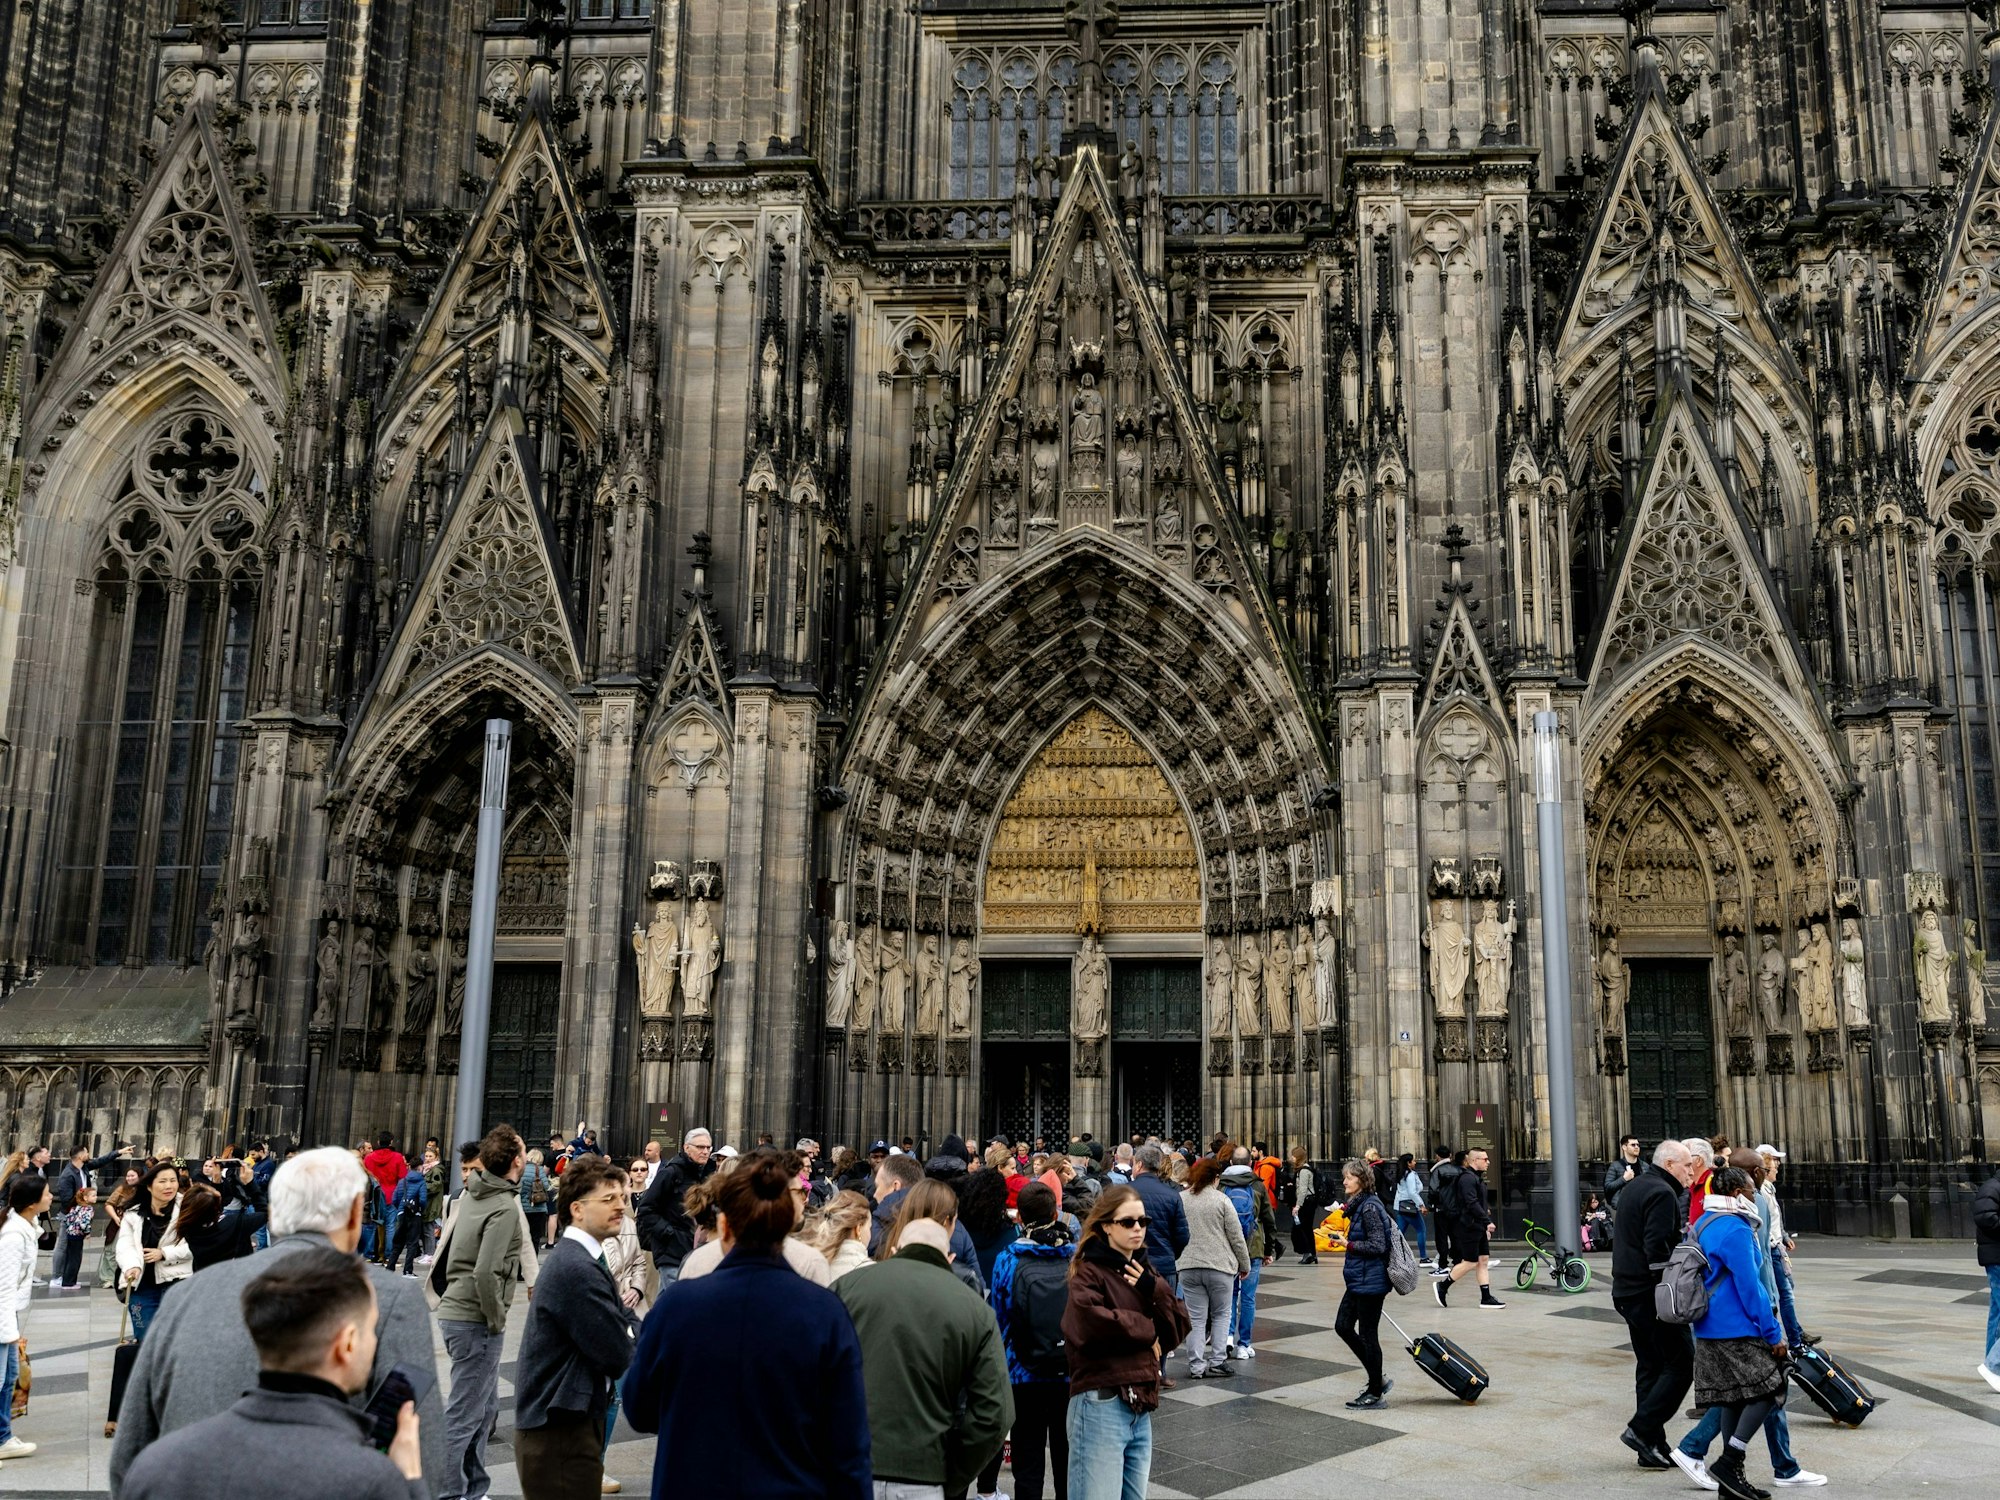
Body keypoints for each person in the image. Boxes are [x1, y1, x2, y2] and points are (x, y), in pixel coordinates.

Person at [109, 1146, 445, 1496]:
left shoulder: (186, 1295)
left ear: (278, 1211)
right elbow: (423, 1453)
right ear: (355, 1211)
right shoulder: (385, 1295)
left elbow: (129, 1458)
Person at [627, 1148, 870, 1497]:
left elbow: (640, 1409)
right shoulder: (824, 1313)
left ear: (724, 1226)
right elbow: (849, 1442)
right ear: (789, 1223)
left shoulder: (676, 1307)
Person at [117, 1246, 426, 1500]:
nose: (374, 1342)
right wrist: (410, 1479)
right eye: (370, 1329)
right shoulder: (369, 1480)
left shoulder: (158, 1465)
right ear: (346, 1344)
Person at [1673, 1150, 1825, 1491]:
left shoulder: (1705, 1222)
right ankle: (1731, 1460)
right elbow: (1749, 1285)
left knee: (1731, 1397)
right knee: (1773, 1386)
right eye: (1752, 1192)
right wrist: (1773, 1334)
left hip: (1709, 1325)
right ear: (1739, 1192)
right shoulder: (1736, 1229)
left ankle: (1732, 1479)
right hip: (1736, 1326)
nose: (1755, 1197)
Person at [838, 1200, 1012, 1498]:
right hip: (925, 1473)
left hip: (850, 1466)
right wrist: (953, 1474)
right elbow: (996, 1413)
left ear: (894, 1250)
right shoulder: (973, 1308)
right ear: (950, 1257)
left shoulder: (847, 1288)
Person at [513, 1156, 640, 1500]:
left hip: (564, 1426)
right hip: (559, 1433)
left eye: (622, 1197)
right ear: (578, 1209)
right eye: (608, 1199)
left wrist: (629, 1329)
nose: (620, 1206)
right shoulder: (576, 1268)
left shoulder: (582, 1259)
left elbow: (623, 1319)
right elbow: (615, 1351)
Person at [1063, 1184, 1191, 1500]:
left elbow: (1178, 1327)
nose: (1138, 1229)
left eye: (1142, 1221)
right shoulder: (1089, 1272)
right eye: (1128, 1222)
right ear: (1106, 1225)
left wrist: (1155, 1290)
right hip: (1101, 1401)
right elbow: (1092, 1327)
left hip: (1140, 1400)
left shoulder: (1142, 1269)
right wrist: (1149, 1332)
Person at [435, 1125, 526, 1500]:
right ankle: (447, 1491)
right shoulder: (503, 1205)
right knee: (465, 1413)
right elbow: (487, 1270)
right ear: (517, 1160)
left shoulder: (476, 1193)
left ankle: (474, 1488)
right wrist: (496, 1317)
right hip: (475, 1318)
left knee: (483, 1410)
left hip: (457, 1311)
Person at [980, 1182, 1074, 1500]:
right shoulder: (1076, 1256)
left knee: (1028, 1458)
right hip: (1067, 1370)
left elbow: (999, 1316)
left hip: (1023, 1371)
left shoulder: (1008, 1259)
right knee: (1066, 1454)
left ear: (1019, 1216)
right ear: (1055, 1213)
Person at [1611, 1138, 1697, 1469]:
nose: (1691, 1171)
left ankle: (1651, 1445)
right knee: (1682, 1362)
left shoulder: (1639, 1186)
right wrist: (1672, 1296)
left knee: (1650, 1365)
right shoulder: (1662, 1193)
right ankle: (1641, 1429)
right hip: (1650, 1294)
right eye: (1687, 1165)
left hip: (1627, 1291)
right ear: (1670, 1164)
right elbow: (1658, 1252)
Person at [1176, 1149, 1249, 1379]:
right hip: (1219, 1266)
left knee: (1196, 1318)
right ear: (1215, 1178)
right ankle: (1217, 1361)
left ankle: (1196, 1366)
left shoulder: (1182, 1198)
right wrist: (1244, 1264)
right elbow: (1236, 1236)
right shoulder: (1222, 1200)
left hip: (1188, 1265)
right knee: (1221, 1314)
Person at [1332, 1158, 1397, 1409]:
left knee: (1369, 1335)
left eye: (1349, 1177)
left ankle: (1374, 1391)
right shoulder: (1359, 1206)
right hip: (1359, 1279)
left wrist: (1346, 1244)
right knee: (1343, 1326)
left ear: (1361, 1180)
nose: (1344, 1181)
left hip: (1371, 1281)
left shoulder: (1369, 1207)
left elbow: (1378, 1245)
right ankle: (1377, 1378)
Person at [0, 1173, 48, 1465]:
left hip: (7, 1314)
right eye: (47, 1193)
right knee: (3, 1378)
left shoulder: (25, 1227)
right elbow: (3, 1284)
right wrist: (9, 1331)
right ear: (32, 1202)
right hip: (2, 1315)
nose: (51, 1196)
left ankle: (3, 1436)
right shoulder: (14, 1235)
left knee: (9, 1379)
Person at [116, 1163, 193, 1342]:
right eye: (163, 1181)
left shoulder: (188, 1209)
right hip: (142, 1284)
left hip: (177, 1282)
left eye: (173, 1180)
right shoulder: (133, 1213)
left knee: (174, 1338)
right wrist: (131, 1266)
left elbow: (198, 1244)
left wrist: (165, 1253)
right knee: (145, 1337)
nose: (169, 1186)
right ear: (149, 1186)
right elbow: (125, 1245)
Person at [632, 1127, 714, 1286]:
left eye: (708, 1147)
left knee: (666, 1302)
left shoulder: (707, 1174)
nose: (705, 1151)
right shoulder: (670, 1172)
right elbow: (645, 1208)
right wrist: (668, 1233)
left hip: (694, 1249)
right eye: (700, 1147)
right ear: (686, 1148)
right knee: (680, 1302)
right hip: (671, 1251)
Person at [870, 1151, 978, 1270]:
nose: (874, 1194)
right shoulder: (955, 1225)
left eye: (877, 1186)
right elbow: (974, 1281)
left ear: (896, 1186)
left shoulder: (873, 1226)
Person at [1755, 1145, 1814, 1349]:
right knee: (1784, 1293)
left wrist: (1784, 1236)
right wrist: (1775, 1243)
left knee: (1787, 1290)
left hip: (1776, 1246)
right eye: (1774, 1162)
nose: (1778, 1166)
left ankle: (1795, 1332)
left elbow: (1775, 1220)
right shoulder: (1761, 1191)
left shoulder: (1768, 1190)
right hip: (1772, 1249)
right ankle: (1795, 1340)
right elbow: (1765, 1223)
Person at [1221, 1147, 1275, 1359]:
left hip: (1227, 1249)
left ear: (1232, 1164)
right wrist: (1269, 1250)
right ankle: (1244, 1344)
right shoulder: (1258, 1185)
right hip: (1253, 1247)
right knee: (1249, 1298)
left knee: (1229, 1295)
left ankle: (1226, 1337)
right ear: (1251, 1163)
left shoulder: (1221, 1186)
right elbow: (1269, 1221)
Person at [1434, 1146, 1503, 1308]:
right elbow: (1471, 1203)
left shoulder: (1476, 1178)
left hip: (1478, 1225)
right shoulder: (1467, 1179)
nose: (1488, 1162)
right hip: (1469, 1226)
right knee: (1470, 1262)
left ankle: (1486, 1297)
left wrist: (1484, 1225)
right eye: (1484, 1159)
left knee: (1483, 1260)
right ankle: (1442, 1286)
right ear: (1473, 1160)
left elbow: (1479, 1203)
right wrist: (1487, 1222)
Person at [361, 1135, 410, 1265]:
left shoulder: (369, 1158)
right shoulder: (397, 1157)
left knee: (373, 1225)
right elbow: (403, 1178)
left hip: (374, 1195)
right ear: (391, 1142)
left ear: (378, 1141)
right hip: (391, 1195)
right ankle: (389, 1256)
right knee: (390, 1226)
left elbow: (364, 1176)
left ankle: (370, 1255)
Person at [808, 1189, 875, 1282]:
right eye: (869, 1227)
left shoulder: (811, 1263)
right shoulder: (870, 1271)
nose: (870, 1233)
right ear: (858, 1229)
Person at [1977, 1160, 2000, 1393]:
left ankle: (1991, 1362)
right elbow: (1985, 1217)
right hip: (1997, 1258)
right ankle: (1993, 1366)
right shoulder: (1992, 1187)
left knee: (1997, 1311)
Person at [387, 1159, 428, 1275]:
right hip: (415, 1215)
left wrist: (400, 1209)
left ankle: (390, 1267)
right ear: (420, 1168)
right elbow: (423, 1200)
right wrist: (420, 1210)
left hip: (401, 1214)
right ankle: (408, 1270)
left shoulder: (402, 1181)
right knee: (412, 1243)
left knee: (398, 1243)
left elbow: (395, 1199)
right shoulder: (421, 1182)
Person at [1427, 1148, 1461, 1275]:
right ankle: (1457, 1262)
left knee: (1441, 1237)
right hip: (1455, 1209)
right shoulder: (1457, 1170)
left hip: (1441, 1209)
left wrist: (1432, 1203)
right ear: (1450, 1155)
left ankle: (1443, 1264)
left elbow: (1433, 1189)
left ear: (1437, 1156)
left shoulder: (1437, 1170)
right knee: (1455, 1236)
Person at [1391, 1151, 1427, 1261]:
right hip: (1410, 1206)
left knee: (1399, 1233)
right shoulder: (1410, 1175)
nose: (1415, 1162)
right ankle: (1423, 1257)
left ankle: (1393, 1255)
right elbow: (1412, 1192)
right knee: (1421, 1230)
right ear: (1408, 1163)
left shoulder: (1401, 1174)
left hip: (1400, 1206)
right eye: (1413, 1161)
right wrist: (1421, 1205)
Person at [520, 1148, 555, 1252]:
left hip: (523, 1209)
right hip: (538, 1208)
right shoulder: (539, 1170)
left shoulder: (521, 1169)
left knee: (523, 1237)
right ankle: (533, 1258)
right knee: (535, 1238)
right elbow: (546, 1186)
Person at [1287, 1147, 1319, 1264]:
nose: (1292, 1158)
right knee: (1307, 1229)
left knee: (1300, 1229)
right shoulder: (1305, 1169)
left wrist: (1297, 1206)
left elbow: (1303, 1190)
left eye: (1294, 1156)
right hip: (1308, 1202)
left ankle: (1307, 1253)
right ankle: (1312, 1254)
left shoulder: (1304, 1171)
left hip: (1306, 1203)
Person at [1605, 1134, 1642, 1224]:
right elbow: (1608, 1187)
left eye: (1638, 1145)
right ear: (1624, 1147)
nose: (1636, 1147)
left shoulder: (1645, 1166)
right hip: (1623, 1208)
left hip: (1641, 1208)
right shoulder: (1615, 1166)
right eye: (1633, 1145)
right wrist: (1624, 1179)